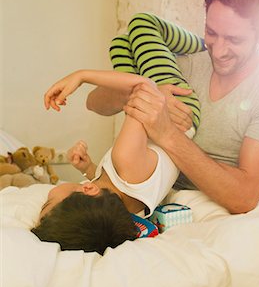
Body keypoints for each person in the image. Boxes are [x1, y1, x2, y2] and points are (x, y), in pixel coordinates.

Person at [87, 0, 259, 214]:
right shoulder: (188, 63)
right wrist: (141, 94)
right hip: (161, 209)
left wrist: (167, 133)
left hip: (224, 221)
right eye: (211, 32)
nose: (218, 51)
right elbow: (95, 103)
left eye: (234, 39)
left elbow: (243, 197)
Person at [32, 18, 204, 254]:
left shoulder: (128, 209)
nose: (45, 200)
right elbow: (145, 88)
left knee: (121, 44)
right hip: (176, 105)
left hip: (160, 108)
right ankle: (206, 45)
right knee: (142, 24)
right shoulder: (126, 162)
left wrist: (88, 168)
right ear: (88, 191)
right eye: (48, 203)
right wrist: (82, 76)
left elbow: (108, 183)